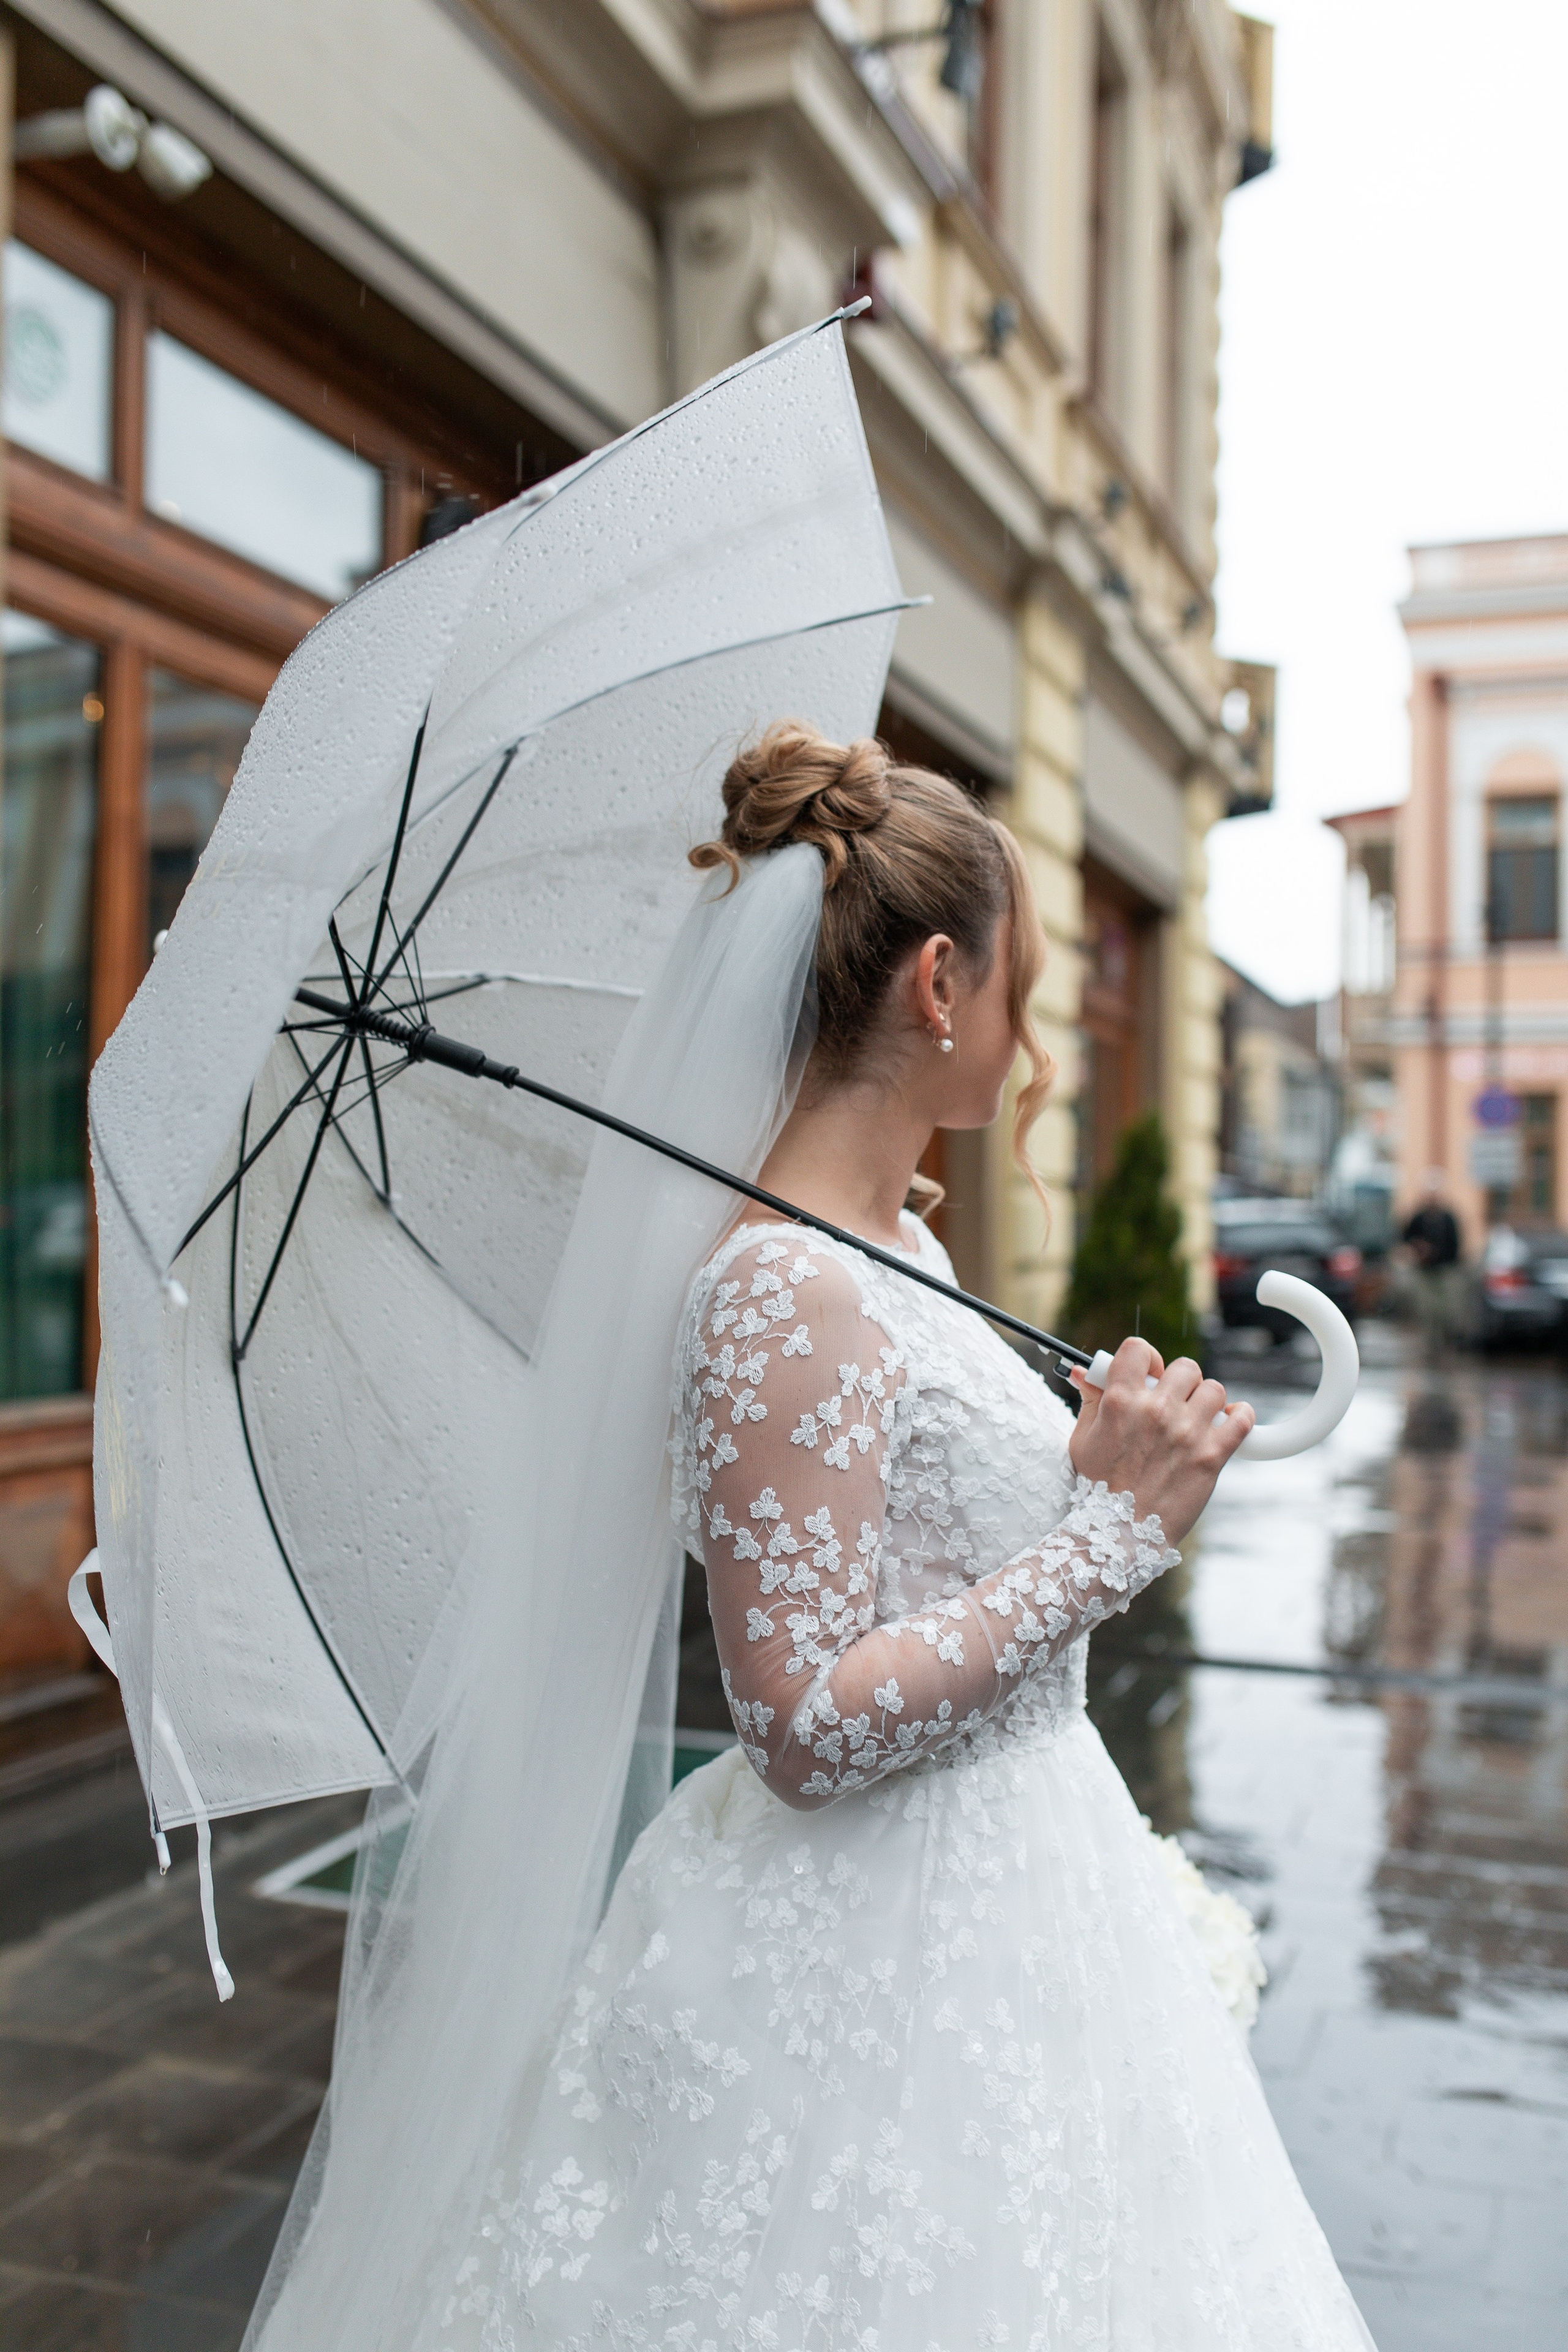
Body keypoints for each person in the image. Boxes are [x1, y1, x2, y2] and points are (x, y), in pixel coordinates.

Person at [248, 726, 1376, 2350]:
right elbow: (798, 1722)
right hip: (877, 1949)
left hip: (1018, 1887)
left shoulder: (887, 1248)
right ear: (938, 982)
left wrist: (1096, 1459)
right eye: (1026, 991)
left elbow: (923, 1531)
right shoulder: (783, 1288)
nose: (1036, 1035)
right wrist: (1110, 1533)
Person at [1402, 1170, 1462, 1356]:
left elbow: (1455, 1245)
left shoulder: (1448, 1219)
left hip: (1444, 1269)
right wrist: (1418, 1250)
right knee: (1426, 1308)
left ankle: (1444, 1341)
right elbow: (1406, 1237)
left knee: (1445, 1308)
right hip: (1424, 1270)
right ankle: (1430, 1342)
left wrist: (1436, 1253)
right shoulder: (1419, 1218)